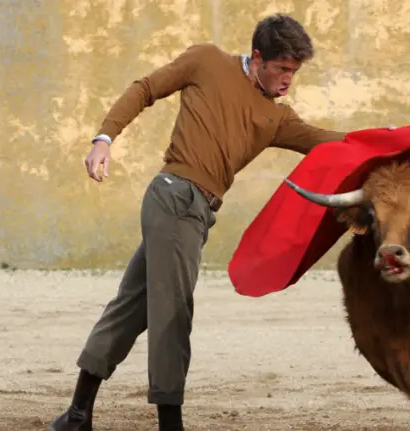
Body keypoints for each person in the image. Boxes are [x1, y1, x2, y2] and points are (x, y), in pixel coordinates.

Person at [48, 13, 350, 431]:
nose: (288, 80)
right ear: (258, 57)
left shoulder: (276, 117)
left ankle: (77, 415)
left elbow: (327, 142)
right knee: (174, 312)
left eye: (294, 72)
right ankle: (169, 425)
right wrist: (104, 139)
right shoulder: (208, 60)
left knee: (132, 309)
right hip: (174, 195)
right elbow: (146, 89)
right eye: (282, 69)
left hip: (195, 213)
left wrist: (390, 141)